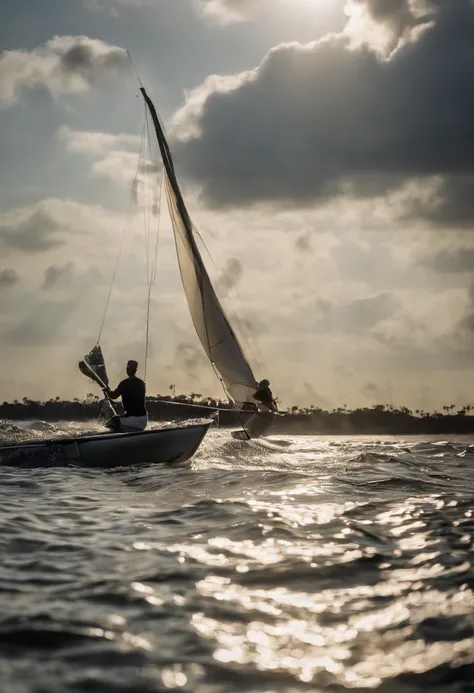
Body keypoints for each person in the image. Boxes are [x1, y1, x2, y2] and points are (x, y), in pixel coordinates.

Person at [103, 360, 148, 432]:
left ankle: (117, 433)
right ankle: (125, 429)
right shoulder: (142, 383)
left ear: (127, 370)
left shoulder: (124, 383)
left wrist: (106, 390)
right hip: (144, 420)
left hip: (134, 420)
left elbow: (114, 396)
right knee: (121, 416)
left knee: (112, 421)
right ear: (135, 370)